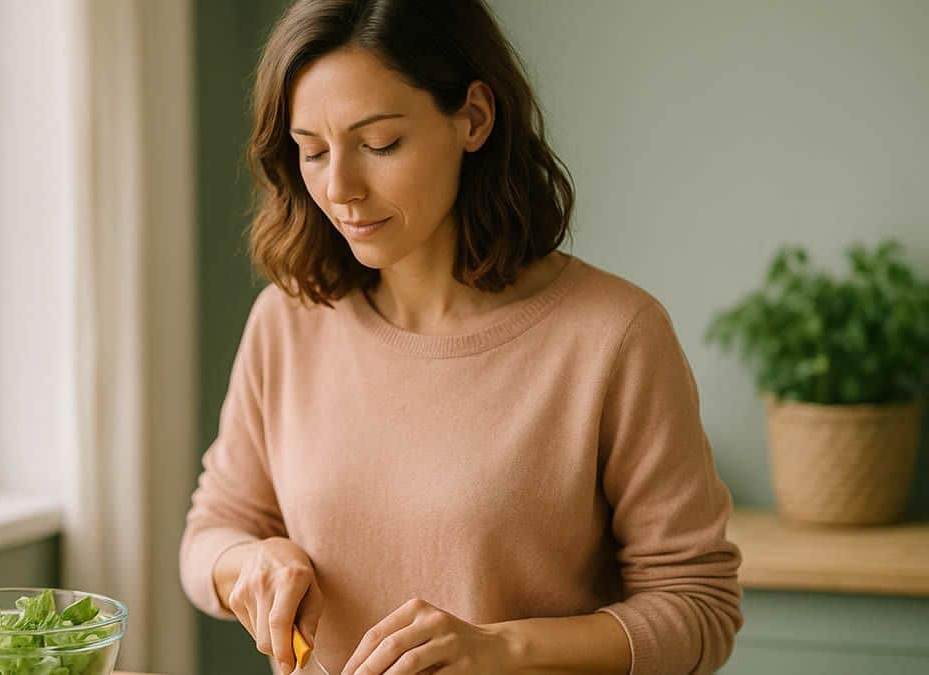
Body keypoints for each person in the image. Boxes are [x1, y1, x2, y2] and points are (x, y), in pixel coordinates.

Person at [179, 1, 743, 673]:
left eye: (380, 143)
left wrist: (501, 647)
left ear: (473, 117)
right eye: (313, 151)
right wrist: (248, 564)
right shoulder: (286, 321)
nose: (340, 188)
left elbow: (698, 607)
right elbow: (209, 534)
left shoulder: (614, 336)